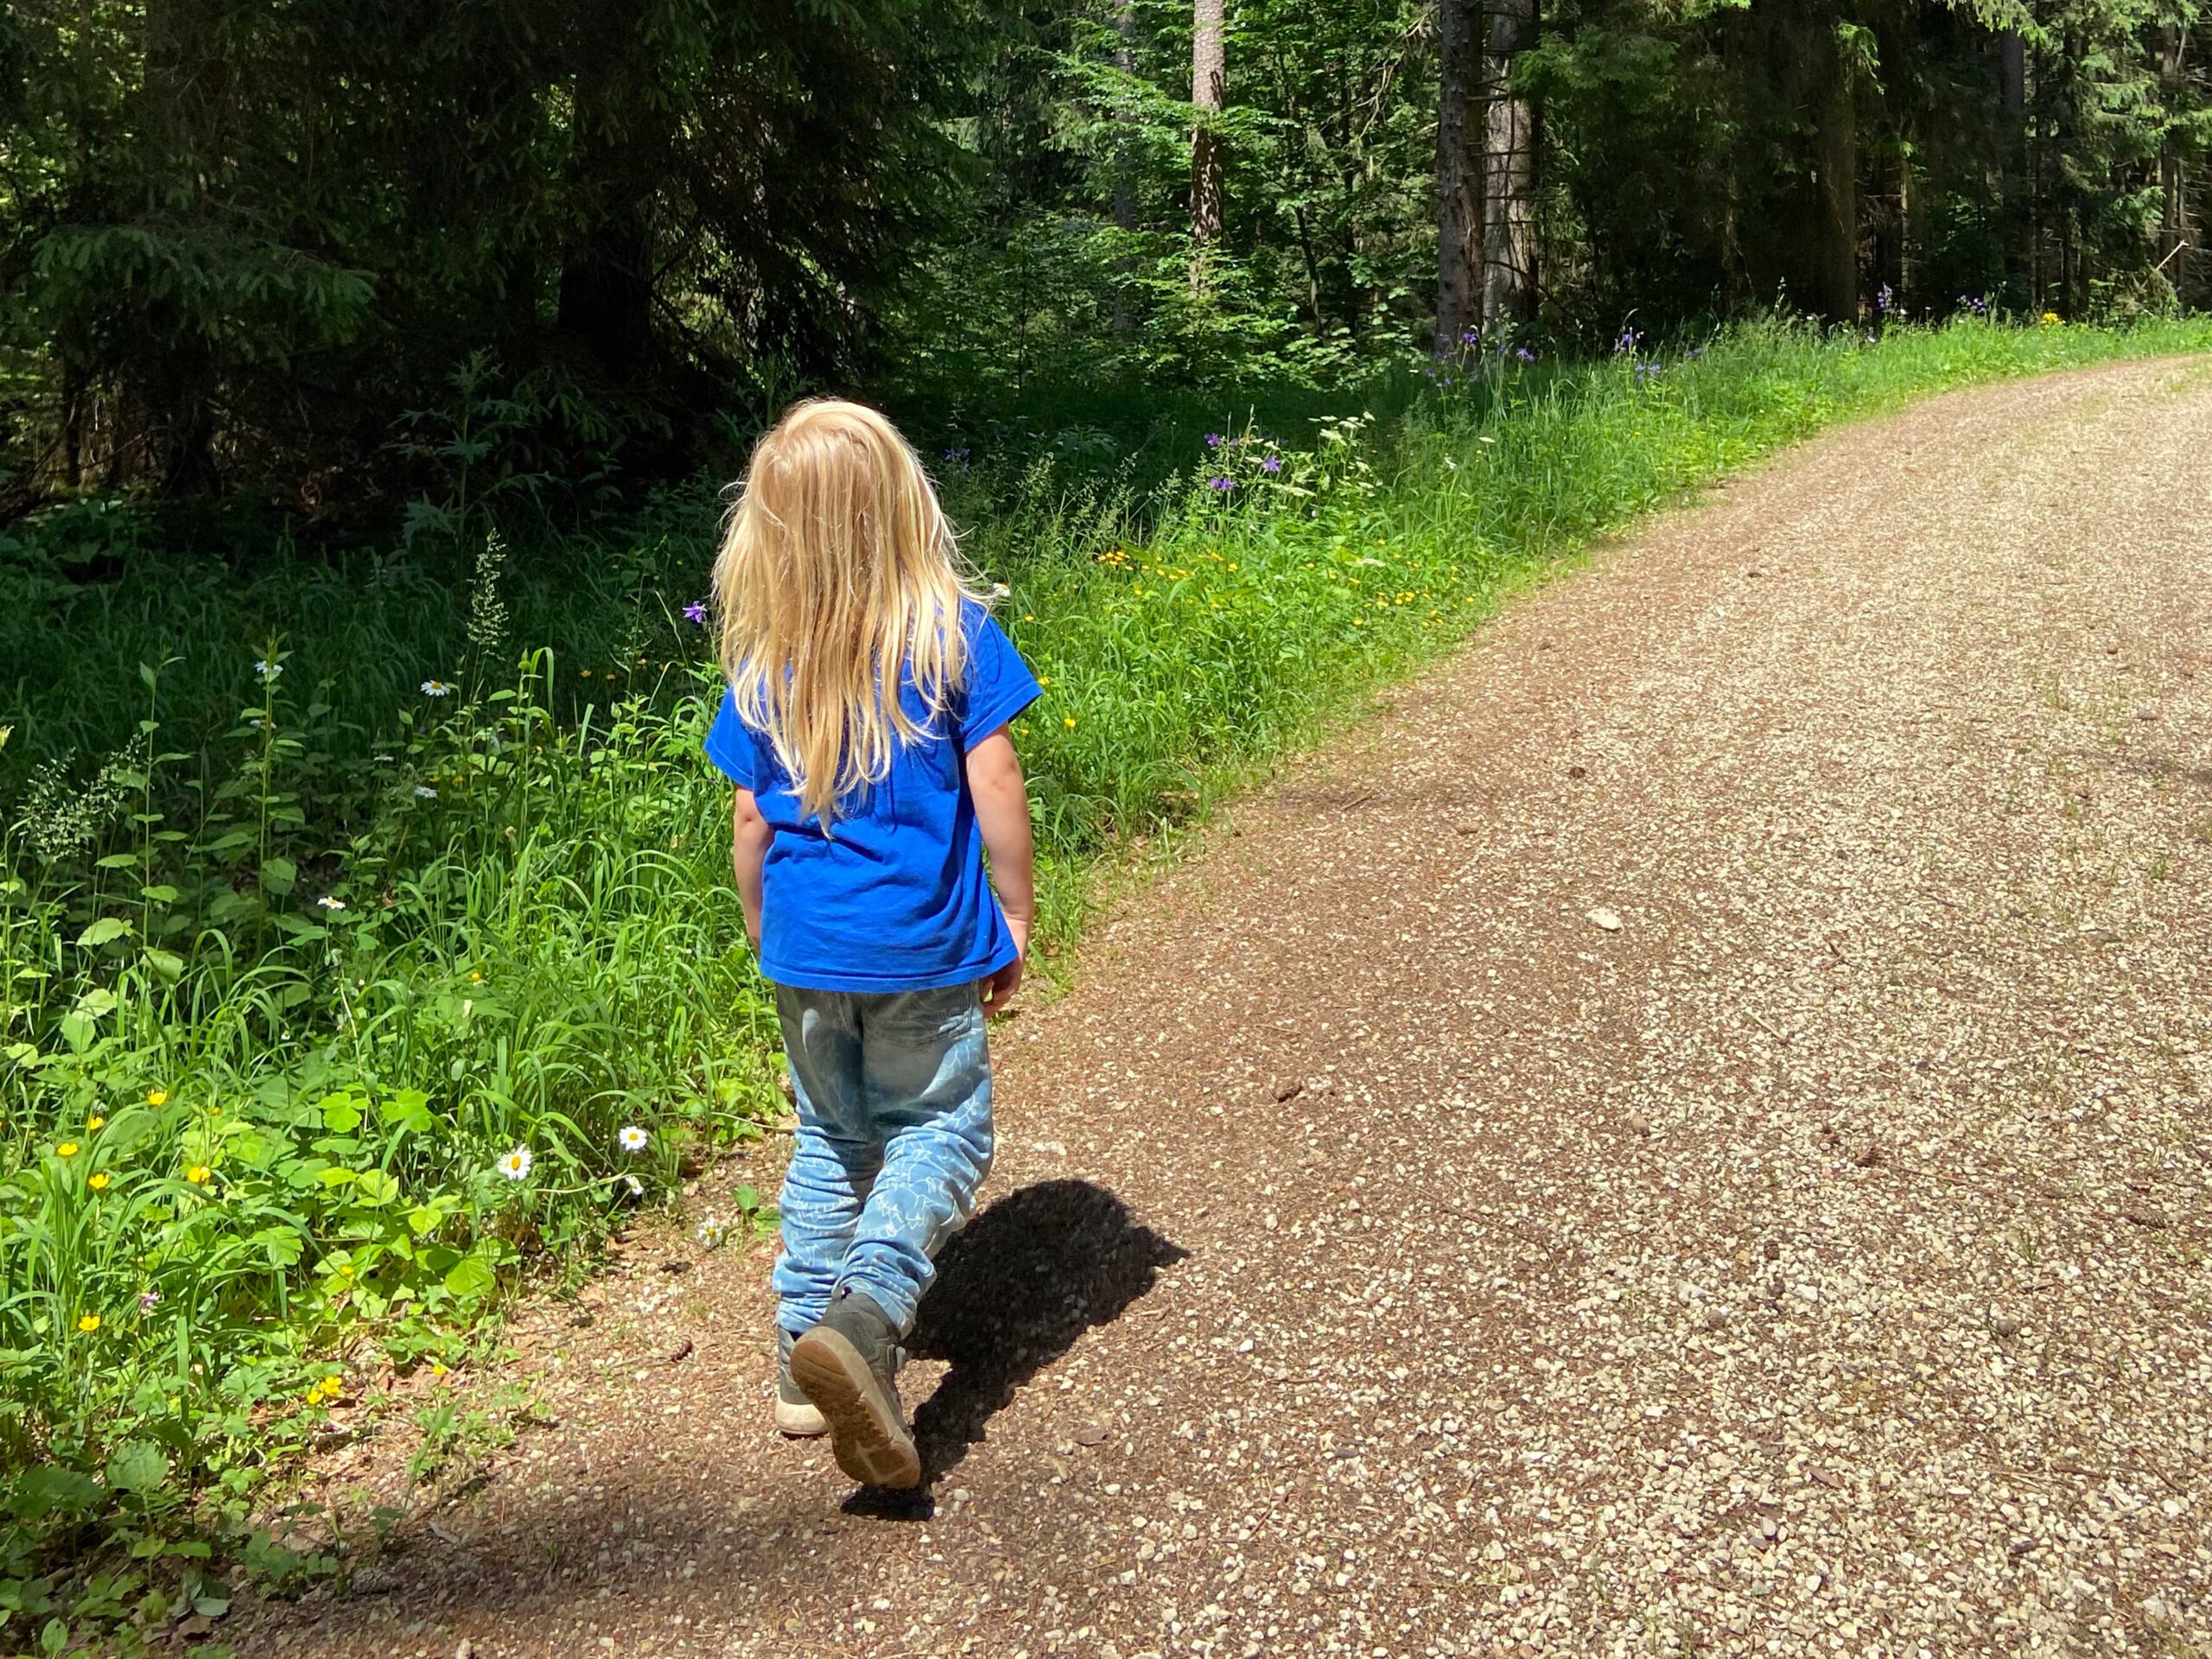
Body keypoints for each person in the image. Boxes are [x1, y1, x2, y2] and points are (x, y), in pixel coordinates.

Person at [703, 398, 1039, 1491]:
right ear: (903, 506)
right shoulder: (950, 635)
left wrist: (764, 929)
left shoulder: (763, 666)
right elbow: (995, 781)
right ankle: (869, 1314)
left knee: (831, 1134)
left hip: (806, 952)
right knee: (940, 1129)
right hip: (920, 950)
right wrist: (1016, 913)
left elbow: (751, 821)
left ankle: (803, 1367)